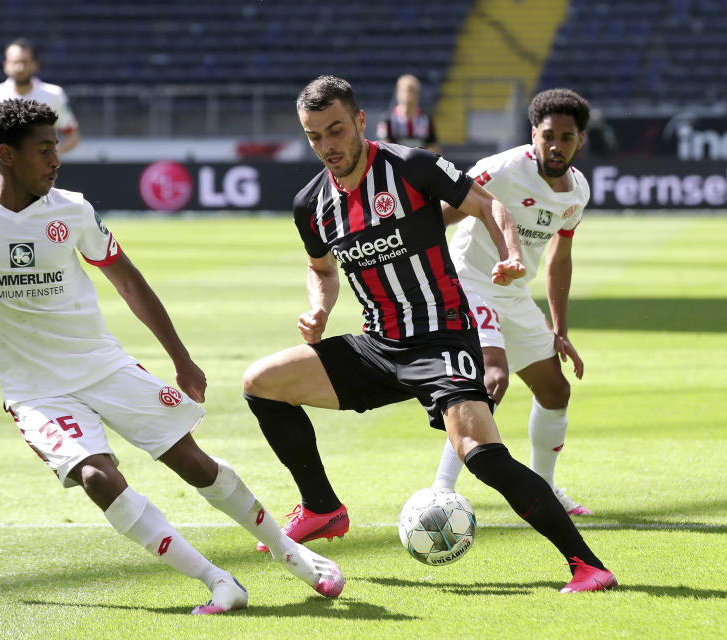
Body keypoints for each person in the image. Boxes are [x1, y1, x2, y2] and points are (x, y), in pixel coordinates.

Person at [0, 99, 344, 615]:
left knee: (192, 462)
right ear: (7, 155)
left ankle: (289, 551)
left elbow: (128, 280)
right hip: (35, 390)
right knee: (98, 478)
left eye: (56, 146)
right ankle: (218, 581)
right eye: (44, 149)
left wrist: (181, 358)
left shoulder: (72, 209)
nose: (56, 158)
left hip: (103, 367)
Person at [242, 75, 616, 593]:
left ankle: (587, 564)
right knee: (261, 382)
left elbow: (487, 204)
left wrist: (510, 253)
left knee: (482, 455)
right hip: (377, 345)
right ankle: (322, 507)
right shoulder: (311, 202)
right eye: (314, 136)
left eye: (335, 130)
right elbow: (322, 269)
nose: (328, 146)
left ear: (359, 121)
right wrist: (318, 309)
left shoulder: (410, 165)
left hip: (441, 338)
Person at [430, 88, 595, 516]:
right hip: (468, 281)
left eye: (567, 137)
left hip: (514, 291)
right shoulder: (501, 169)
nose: (556, 146)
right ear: (533, 135)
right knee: (492, 377)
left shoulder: (577, 192)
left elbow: (561, 257)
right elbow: (442, 213)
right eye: (548, 136)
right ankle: (441, 492)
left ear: (581, 140)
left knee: (555, 389)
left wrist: (559, 328)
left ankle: (545, 488)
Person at [0, 38, 80, 185]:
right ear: (6, 65)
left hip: (40, 183)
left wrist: (53, 153)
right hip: (3, 182)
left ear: (35, 65)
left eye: (24, 62)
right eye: (15, 62)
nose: (20, 67)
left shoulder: (53, 95)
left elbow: (72, 135)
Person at [376, 74, 441, 154]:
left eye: (413, 91)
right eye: (405, 90)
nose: (409, 95)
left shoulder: (426, 119)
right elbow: (384, 147)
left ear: (418, 94)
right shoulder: (388, 119)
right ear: (398, 93)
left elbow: (433, 147)